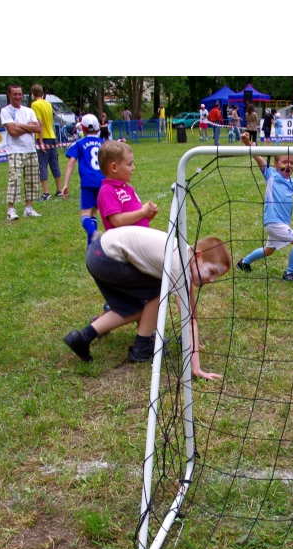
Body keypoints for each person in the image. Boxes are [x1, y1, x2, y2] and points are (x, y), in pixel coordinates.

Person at [63, 140, 232, 375]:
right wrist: (196, 367)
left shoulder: (184, 255)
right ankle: (142, 347)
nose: (211, 280)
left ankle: (83, 336)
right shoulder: (177, 261)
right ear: (198, 255)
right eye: (211, 271)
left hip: (101, 253)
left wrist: (193, 340)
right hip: (105, 256)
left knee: (133, 305)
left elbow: (191, 309)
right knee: (154, 293)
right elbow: (188, 318)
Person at [234, 132, 293, 283]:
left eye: (292, 163)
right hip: (274, 222)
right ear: (275, 164)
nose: (288, 165)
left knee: (268, 251)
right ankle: (289, 273)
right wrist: (248, 143)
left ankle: (244, 263)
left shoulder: (292, 182)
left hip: (279, 224)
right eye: (284, 162)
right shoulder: (271, 175)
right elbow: (257, 157)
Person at [0, 84, 42, 220]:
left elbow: (38, 128)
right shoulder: (5, 111)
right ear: (9, 95)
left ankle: (28, 208)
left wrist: (20, 125)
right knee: (15, 179)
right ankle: (11, 210)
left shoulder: (29, 111)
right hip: (15, 151)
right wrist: (29, 127)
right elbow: (12, 132)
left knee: (32, 180)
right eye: (15, 94)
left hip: (30, 150)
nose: (18, 97)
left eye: (20, 94)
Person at [61, 114, 105, 245]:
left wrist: (65, 184)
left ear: (83, 129)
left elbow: (71, 162)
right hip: (102, 182)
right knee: (93, 213)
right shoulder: (103, 143)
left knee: (84, 215)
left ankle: (94, 234)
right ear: (98, 129)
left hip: (87, 182)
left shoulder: (79, 144)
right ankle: (91, 245)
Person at [30, 84, 64, 201]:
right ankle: (59, 190)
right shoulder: (48, 104)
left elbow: (39, 122)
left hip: (43, 137)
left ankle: (46, 192)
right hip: (52, 136)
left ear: (33, 93)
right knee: (54, 163)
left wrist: (40, 140)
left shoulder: (35, 104)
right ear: (42, 92)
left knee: (42, 164)